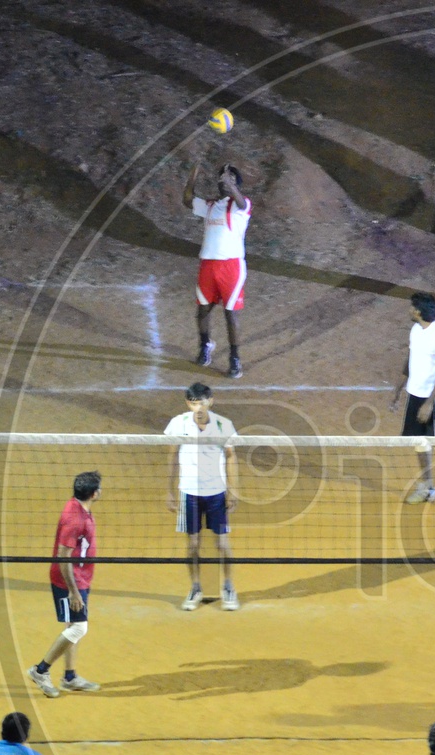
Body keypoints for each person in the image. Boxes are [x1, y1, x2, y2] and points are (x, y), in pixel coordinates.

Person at [166, 383, 241, 612]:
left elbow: (230, 457)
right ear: (188, 403)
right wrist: (169, 490)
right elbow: (172, 456)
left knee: (221, 543)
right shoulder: (178, 423)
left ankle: (228, 587)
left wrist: (233, 489)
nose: (198, 407)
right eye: (193, 402)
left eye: (202, 402)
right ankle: (196, 587)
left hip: (216, 493)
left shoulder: (223, 425)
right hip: (188, 493)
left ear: (211, 401)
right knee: (193, 545)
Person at [27, 471, 102, 698]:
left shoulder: (78, 507)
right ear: (93, 493)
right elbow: (63, 556)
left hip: (80, 577)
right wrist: (73, 592)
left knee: (73, 627)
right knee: (80, 628)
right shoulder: (75, 519)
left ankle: (69, 677)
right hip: (69, 580)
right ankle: (41, 670)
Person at [389, 292, 435, 511]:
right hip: (415, 394)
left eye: (412, 307)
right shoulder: (415, 330)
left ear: (418, 311)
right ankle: (427, 486)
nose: (409, 310)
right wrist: (398, 390)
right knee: (419, 442)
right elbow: (410, 360)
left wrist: (430, 402)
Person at [182, 163, 251, 378]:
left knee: (231, 315)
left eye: (229, 177)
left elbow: (240, 200)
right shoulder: (211, 205)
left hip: (231, 267)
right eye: (222, 177)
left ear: (236, 183)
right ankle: (205, 346)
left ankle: (235, 359)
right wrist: (192, 178)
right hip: (208, 265)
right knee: (202, 310)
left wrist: (232, 185)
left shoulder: (242, 205)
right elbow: (187, 201)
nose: (224, 180)